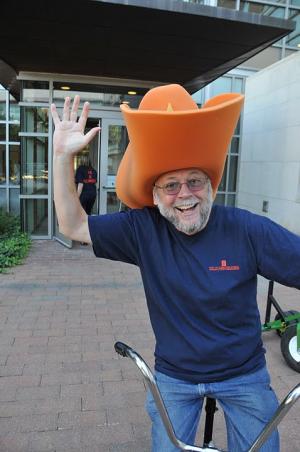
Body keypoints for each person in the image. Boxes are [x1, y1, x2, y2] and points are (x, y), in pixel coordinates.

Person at [51, 85, 300, 452]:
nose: (184, 194)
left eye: (194, 181)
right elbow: (73, 226)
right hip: (175, 377)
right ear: (154, 194)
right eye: (171, 185)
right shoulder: (142, 228)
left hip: (243, 374)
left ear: (210, 184)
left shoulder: (247, 229)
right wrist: (60, 158)